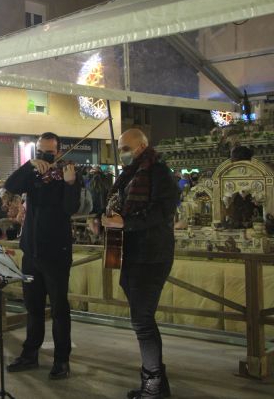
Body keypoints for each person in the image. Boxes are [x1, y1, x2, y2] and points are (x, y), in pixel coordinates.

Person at [102, 128, 179, 399]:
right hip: (131, 254)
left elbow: (162, 211)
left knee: (142, 321)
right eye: (120, 148)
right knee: (142, 319)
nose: (122, 153)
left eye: (126, 147)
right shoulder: (130, 174)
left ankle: (154, 383)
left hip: (152, 255)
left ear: (142, 146)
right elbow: (121, 207)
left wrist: (127, 222)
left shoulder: (158, 172)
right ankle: (156, 381)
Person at [5, 132, 80, 380]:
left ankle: (61, 361)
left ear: (58, 152)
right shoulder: (35, 173)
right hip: (32, 252)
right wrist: (29, 165)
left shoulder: (68, 174)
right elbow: (11, 185)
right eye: (41, 152)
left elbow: (71, 208)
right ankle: (30, 354)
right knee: (33, 307)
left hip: (56, 253)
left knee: (59, 309)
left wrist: (70, 185)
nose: (46, 156)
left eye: (50, 152)